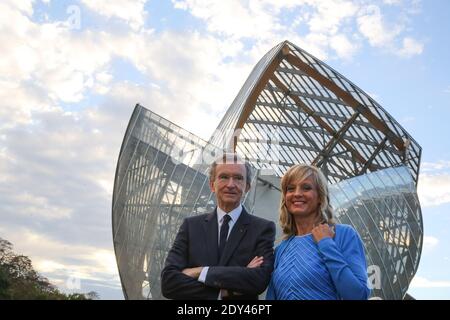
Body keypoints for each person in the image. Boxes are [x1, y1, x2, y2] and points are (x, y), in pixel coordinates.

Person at [161, 153, 276, 300]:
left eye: (238, 178)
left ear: (247, 187)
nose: (231, 184)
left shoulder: (262, 229)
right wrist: (226, 290)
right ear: (212, 185)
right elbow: (169, 283)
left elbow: (258, 281)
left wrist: (200, 271)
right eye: (224, 177)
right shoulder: (191, 227)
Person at [266, 164, 370, 300]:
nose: (297, 193)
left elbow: (358, 295)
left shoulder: (343, 234)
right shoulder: (281, 249)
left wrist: (326, 243)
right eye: (290, 189)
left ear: (320, 196)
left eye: (306, 188)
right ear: (285, 198)